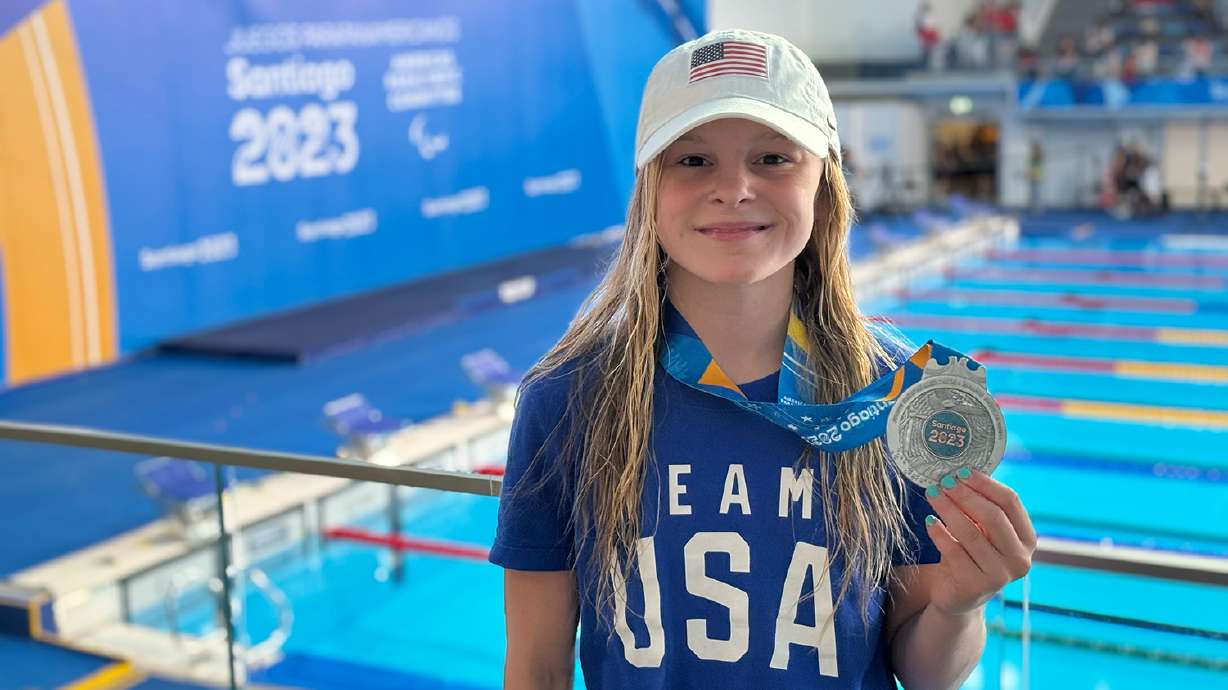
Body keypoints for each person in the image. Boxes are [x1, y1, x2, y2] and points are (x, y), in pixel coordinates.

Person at [490, 29, 1036, 689]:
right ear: (648, 194)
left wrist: (959, 602)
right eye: (692, 161)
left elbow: (924, 673)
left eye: (774, 157)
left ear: (824, 186)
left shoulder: (898, 398)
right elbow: (536, 668)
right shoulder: (566, 400)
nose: (735, 188)